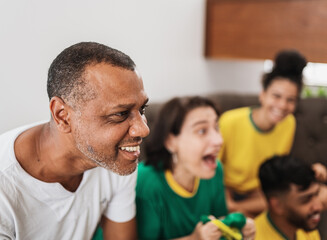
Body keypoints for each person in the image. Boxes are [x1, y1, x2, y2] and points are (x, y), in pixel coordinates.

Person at [0, 42, 150, 239]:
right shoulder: (5, 189)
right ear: (62, 116)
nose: (144, 129)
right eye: (120, 114)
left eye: (142, 110)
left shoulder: (117, 157)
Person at [136, 96, 255, 240]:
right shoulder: (145, 182)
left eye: (216, 128)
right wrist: (194, 238)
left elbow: (219, 221)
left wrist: (237, 229)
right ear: (170, 142)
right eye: (201, 131)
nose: (219, 140)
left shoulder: (216, 170)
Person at [218, 49, 309, 217]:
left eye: (290, 100)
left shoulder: (289, 123)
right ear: (263, 95)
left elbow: (275, 172)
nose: (282, 105)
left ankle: (239, 213)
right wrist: (228, 201)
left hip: (259, 194)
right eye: (276, 96)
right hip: (224, 190)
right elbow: (213, 171)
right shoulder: (230, 121)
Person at [255, 155, 326, 240]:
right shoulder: (254, 237)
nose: (318, 207)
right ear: (277, 205)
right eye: (306, 200)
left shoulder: (307, 229)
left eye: (316, 194)